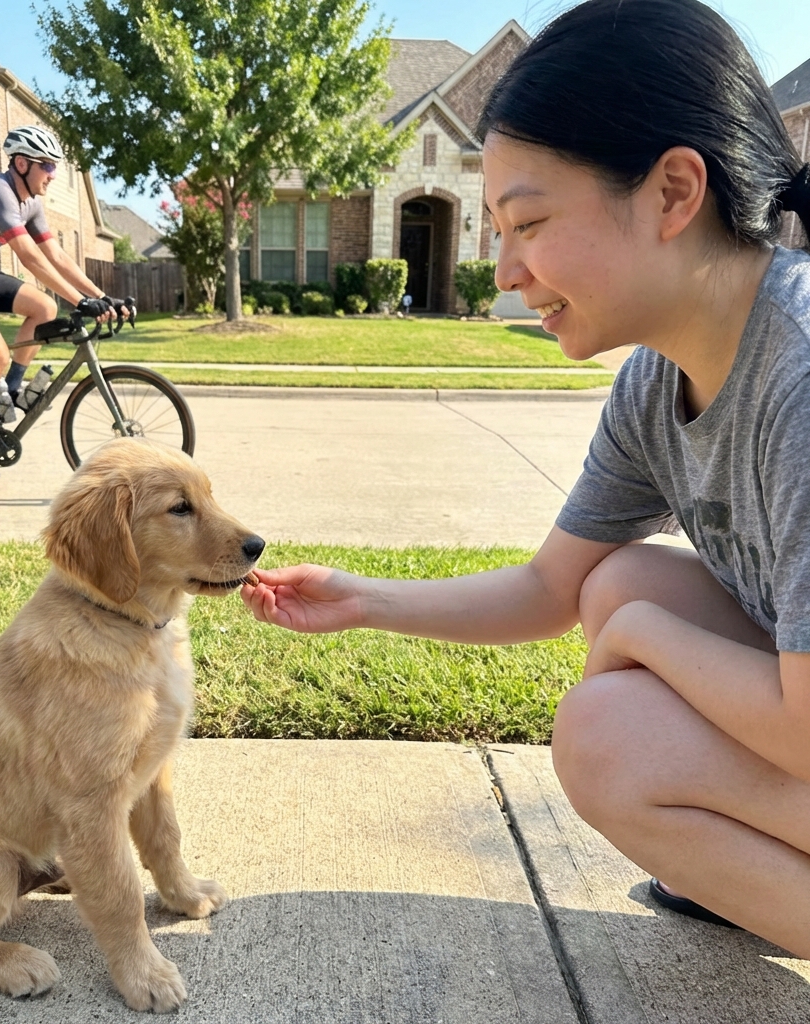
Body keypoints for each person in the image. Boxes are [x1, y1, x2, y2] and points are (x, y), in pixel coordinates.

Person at [243, 0, 810, 954]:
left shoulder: (799, 378)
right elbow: (553, 587)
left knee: (608, 730)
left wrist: (637, 635)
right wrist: (361, 600)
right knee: (618, 577)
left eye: (529, 223)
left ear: (674, 193)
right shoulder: (657, 381)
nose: (504, 271)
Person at [0, 125, 130, 480]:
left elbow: (57, 257)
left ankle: (11, 390)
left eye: (54, 166)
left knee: (45, 308)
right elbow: (30, 258)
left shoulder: (31, 204)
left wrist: (100, 297)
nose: (53, 174)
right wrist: (80, 300)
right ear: (21, 164)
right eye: (47, 165)